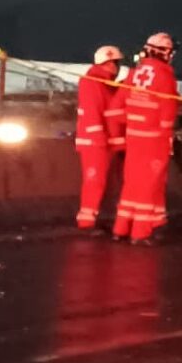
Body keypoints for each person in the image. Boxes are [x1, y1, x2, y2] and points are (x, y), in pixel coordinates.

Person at [111, 32, 180, 245]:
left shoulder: (134, 73)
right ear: (163, 52)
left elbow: (117, 107)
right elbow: (168, 110)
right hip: (154, 139)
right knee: (148, 186)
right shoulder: (165, 74)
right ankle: (140, 233)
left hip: (134, 136)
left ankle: (120, 228)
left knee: (131, 183)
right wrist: (166, 135)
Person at [74, 45, 126, 231]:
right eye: (115, 63)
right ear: (107, 63)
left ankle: (93, 218)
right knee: (94, 181)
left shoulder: (106, 83)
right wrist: (99, 138)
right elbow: (93, 111)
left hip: (105, 141)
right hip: (95, 142)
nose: (117, 67)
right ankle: (86, 222)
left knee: (103, 182)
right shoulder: (92, 82)